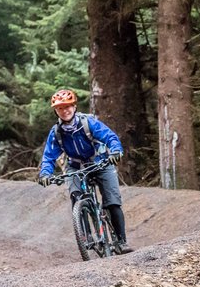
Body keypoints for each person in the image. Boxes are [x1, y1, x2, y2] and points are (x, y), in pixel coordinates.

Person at [36, 89, 133, 254]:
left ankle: (121, 241)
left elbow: (110, 137)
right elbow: (48, 157)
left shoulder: (88, 123)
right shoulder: (56, 132)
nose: (64, 110)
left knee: (112, 201)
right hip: (75, 167)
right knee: (76, 195)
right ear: (55, 111)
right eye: (60, 108)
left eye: (67, 106)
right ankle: (85, 236)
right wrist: (45, 173)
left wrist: (115, 151)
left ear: (74, 107)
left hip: (100, 162)